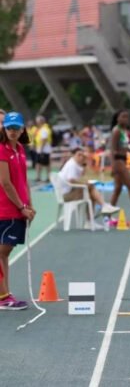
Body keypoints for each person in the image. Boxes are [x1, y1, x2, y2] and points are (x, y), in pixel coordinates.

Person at [0, 112, 36, 310]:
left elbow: (22, 180)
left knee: (5, 253)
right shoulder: (2, 150)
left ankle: (5, 293)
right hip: (6, 209)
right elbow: (5, 182)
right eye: (9, 128)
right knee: (2, 251)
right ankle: (3, 296)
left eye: (16, 128)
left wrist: (28, 204)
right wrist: (21, 207)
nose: (12, 131)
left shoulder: (20, 149)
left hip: (18, 208)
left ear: (22, 129)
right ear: (4, 130)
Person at [58, 147, 120, 230]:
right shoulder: (72, 164)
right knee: (90, 188)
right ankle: (103, 207)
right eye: (81, 156)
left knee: (90, 191)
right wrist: (85, 184)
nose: (82, 158)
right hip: (67, 194)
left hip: (69, 191)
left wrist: (84, 164)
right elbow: (71, 180)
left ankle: (91, 220)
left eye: (83, 157)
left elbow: (81, 175)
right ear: (77, 155)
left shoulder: (75, 164)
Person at [35, 115, 52, 182]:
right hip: (42, 149)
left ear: (41, 122)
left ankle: (47, 177)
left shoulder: (44, 129)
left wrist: (41, 150)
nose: (36, 123)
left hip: (44, 150)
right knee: (40, 163)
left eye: (37, 121)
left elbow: (44, 140)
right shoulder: (42, 129)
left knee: (45, 164)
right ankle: (39, 177)